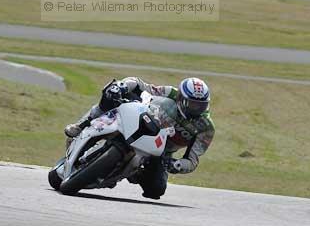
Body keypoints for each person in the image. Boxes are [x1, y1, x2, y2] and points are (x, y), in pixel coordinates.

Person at [64, 76, 215, 199]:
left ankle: (133, 172)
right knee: (110, 94)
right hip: (142, 123)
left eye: (201, 105)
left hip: (161, 152)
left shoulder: (206, 127)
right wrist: (122, 86)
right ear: (182, 99)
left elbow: (192, 161)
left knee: (156, 190)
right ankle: (81, 125)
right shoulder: (171, 93)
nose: (198, 109)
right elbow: (140, 85)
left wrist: (177, 165)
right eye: (193, 105)